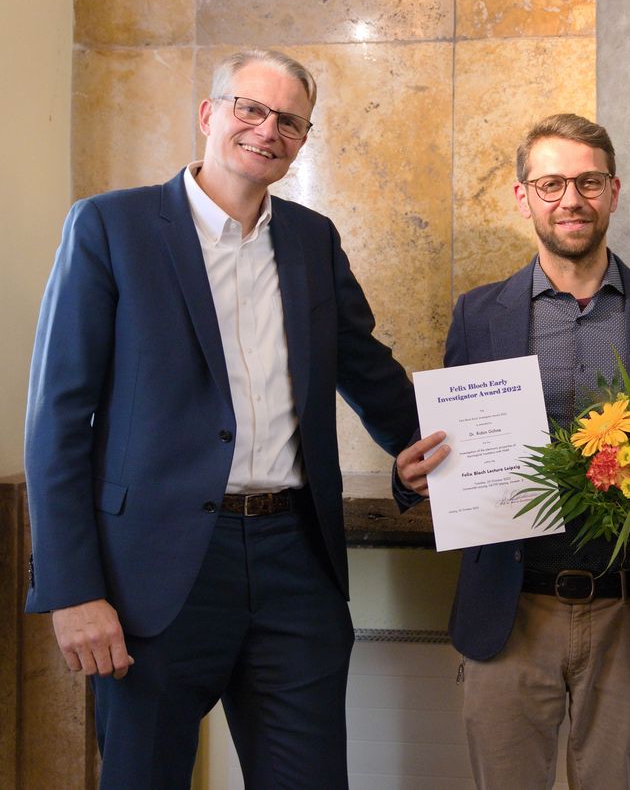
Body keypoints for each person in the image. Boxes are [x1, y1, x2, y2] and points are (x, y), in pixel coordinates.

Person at [24, 48, 422, 788]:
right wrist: (73, 589)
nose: (268, 130)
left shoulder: (312, 239)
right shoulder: (111, 227)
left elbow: (364, 364)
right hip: (154, 572)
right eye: (251, 109)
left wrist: (419, 448)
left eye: (291, 122)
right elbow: (56, 421)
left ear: (303, 141)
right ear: (210, 114)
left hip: (295, 559)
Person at [395, 114, 630, 789]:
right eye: (552, 183)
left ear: (614, 191)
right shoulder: (477, 315)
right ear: (523, 196)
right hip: (508, 609)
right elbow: (443, 443)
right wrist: (415, 474)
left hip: (627, 608)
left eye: (589, 182)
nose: (572, 199)